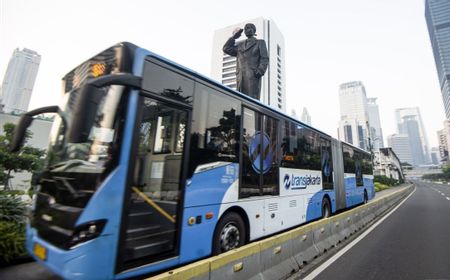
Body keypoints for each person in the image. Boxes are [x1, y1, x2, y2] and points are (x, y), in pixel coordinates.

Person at [223, 23, 269, 100]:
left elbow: (264, 58)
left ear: (254, 31)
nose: (247, 30)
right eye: (246, 28)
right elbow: (226, 48)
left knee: (251, 102)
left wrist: (260, 70)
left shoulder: (260, 42)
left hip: (253, 76)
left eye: (249, 28)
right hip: (240, 77)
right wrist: (233, 37)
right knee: (240, 101)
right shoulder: (240, 45)